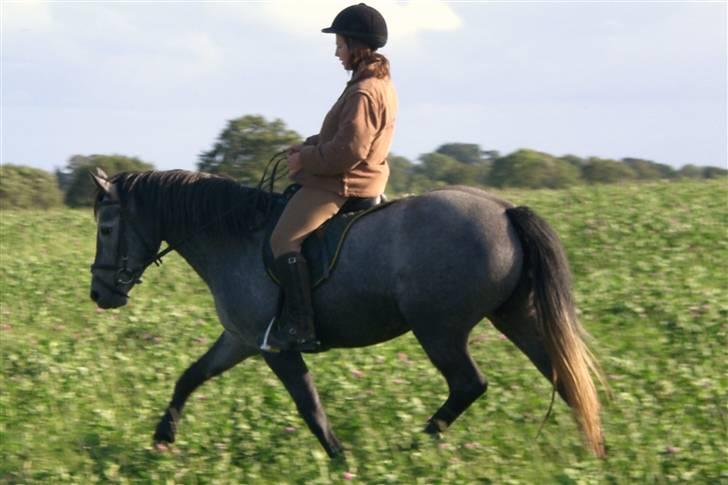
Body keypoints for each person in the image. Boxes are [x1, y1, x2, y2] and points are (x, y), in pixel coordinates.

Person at [262, 3, 398, 352]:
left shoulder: (364, 91)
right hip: (356, 177)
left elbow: (347, 153)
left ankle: (300, 326)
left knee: (283, 240)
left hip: (344, 184)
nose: (336, 52)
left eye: (339, 44)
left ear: (356, 46)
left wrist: (304, 161)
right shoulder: (375, 83)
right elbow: (342, 138)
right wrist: (307, 145)